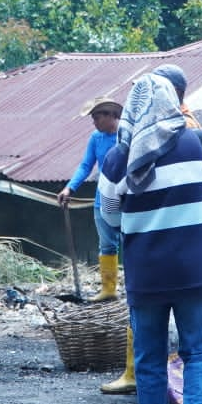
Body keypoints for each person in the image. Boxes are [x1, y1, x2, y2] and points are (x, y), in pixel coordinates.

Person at [99, 69, 202, 404]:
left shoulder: (117, 157)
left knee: (149, 359)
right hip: (195, 270)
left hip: (146, 274)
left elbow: (108, 215)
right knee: (198, 353)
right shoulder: (198, 142)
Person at [57, 97, 124, 300]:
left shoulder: (126, 136)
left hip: (125, 198)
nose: (94, 122)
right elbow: (86, 165)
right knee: (106, 244)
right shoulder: (96, 138)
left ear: (111, 115)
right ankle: (109, 289)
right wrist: (70, 188)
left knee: (130, 242)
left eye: (97, 117)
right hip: (102, 198)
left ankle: (137, 286)